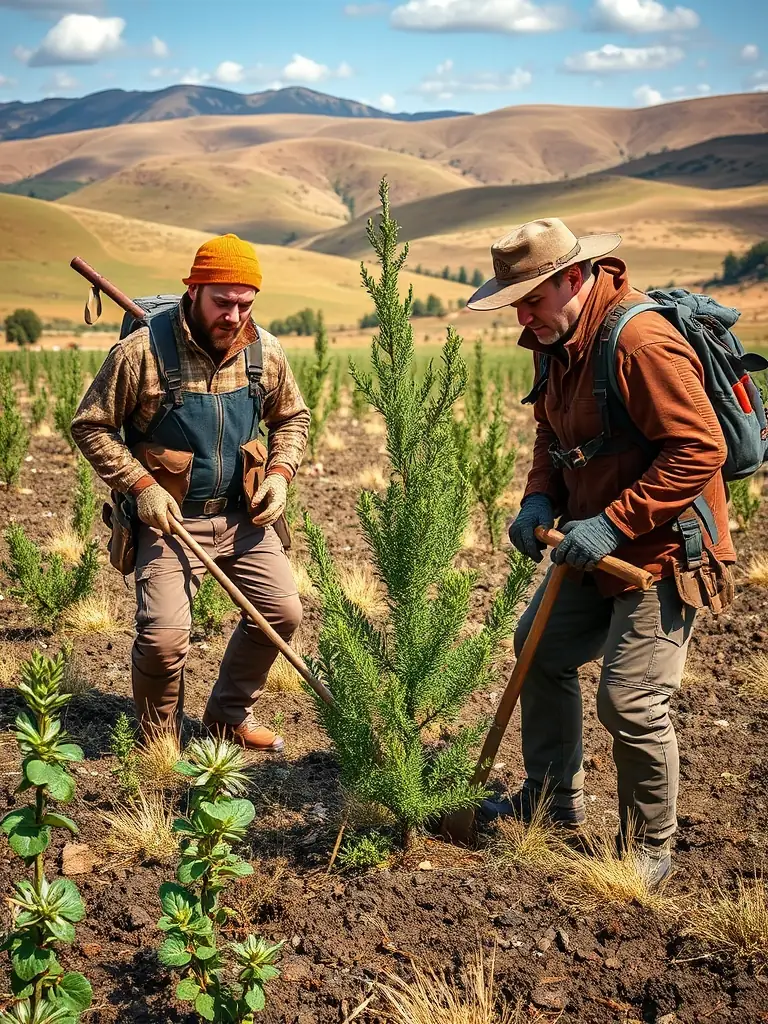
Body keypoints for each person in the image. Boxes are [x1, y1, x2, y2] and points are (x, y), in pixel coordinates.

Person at [467, 218, 736, 881]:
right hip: (591, 540)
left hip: (667, 551)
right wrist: (539, 500)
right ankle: (553, 801)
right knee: (540, 650)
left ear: (573, 278)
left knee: (630, 700)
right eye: (515, 305)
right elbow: (548, 434)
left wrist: (613, 523)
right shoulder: (552, 339)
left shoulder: (640, 342)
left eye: (531, 300)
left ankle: (650, 847)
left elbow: (701, 448)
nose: (523, 319)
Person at [72, 233, 309, 751]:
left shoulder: (264, 352)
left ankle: (227, 716)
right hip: (169, 521)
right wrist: (139, 485)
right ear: (195, 289)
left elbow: (292, 417)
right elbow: (91, 425)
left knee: (282, 613)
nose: (234, 315)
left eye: (245, 303)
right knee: (162, 641)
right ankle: (159, 738)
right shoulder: (141, 353)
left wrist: (280, 473)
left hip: (243, 515)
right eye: (223, 302)